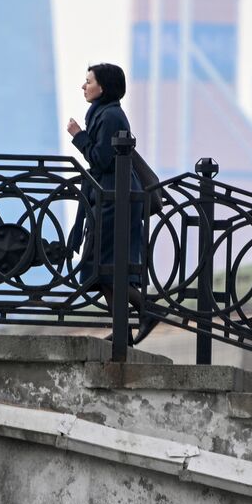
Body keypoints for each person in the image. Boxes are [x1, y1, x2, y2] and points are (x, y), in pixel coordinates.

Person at [66, 63, 158, 345]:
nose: (83, 86)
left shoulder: (111, 116)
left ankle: (148, 310)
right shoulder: (103, 112)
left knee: (103, 267)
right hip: (106, 197)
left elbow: (103, 159)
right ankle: (124, 331)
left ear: (102, 87)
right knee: (102, 268)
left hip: (113, 201)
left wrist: (78, 136)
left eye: (88, 81)